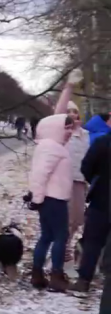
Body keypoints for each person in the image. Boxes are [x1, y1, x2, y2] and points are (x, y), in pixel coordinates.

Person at [27, 113, 76, 292]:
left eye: (71, 128)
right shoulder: (52, 147)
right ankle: (56, 276)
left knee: (47, 236)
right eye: (66, 128)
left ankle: (37, 275)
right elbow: (40, 174)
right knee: (60, 237)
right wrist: (37, 198)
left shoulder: (50, 146)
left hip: (50, 198)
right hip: (54, 199)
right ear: (55, 128)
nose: (69, 132)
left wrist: (37, 198)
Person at [76, 126, 110, 293]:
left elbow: (86, 167)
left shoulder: (102, 142)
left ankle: (84, 280)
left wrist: (97, 180)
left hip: (101, 199)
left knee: (92, 243)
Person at [66, 101, 91, 254]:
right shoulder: (63, 134)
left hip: (82, 180)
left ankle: (69, 247)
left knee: (78, 219)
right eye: (69, 112)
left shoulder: (86, 134)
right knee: (67, 220)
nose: (73, 115)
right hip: (66, 180)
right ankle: (64, 252)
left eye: (74, 111)